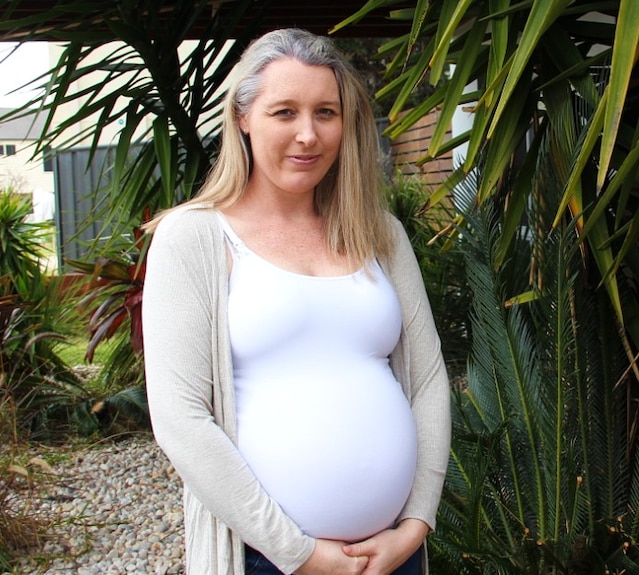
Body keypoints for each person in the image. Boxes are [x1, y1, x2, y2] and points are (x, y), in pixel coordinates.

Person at [141, 28, 451, 575]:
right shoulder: (193, 239)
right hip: (268, 560)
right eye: (284, 112)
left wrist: (415, 525)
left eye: (325, 113)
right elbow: (180, 419)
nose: (308, 135)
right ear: (242, 117)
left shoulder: (381, 234)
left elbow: (426, 381)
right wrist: (299, 553)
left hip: (394, 555)